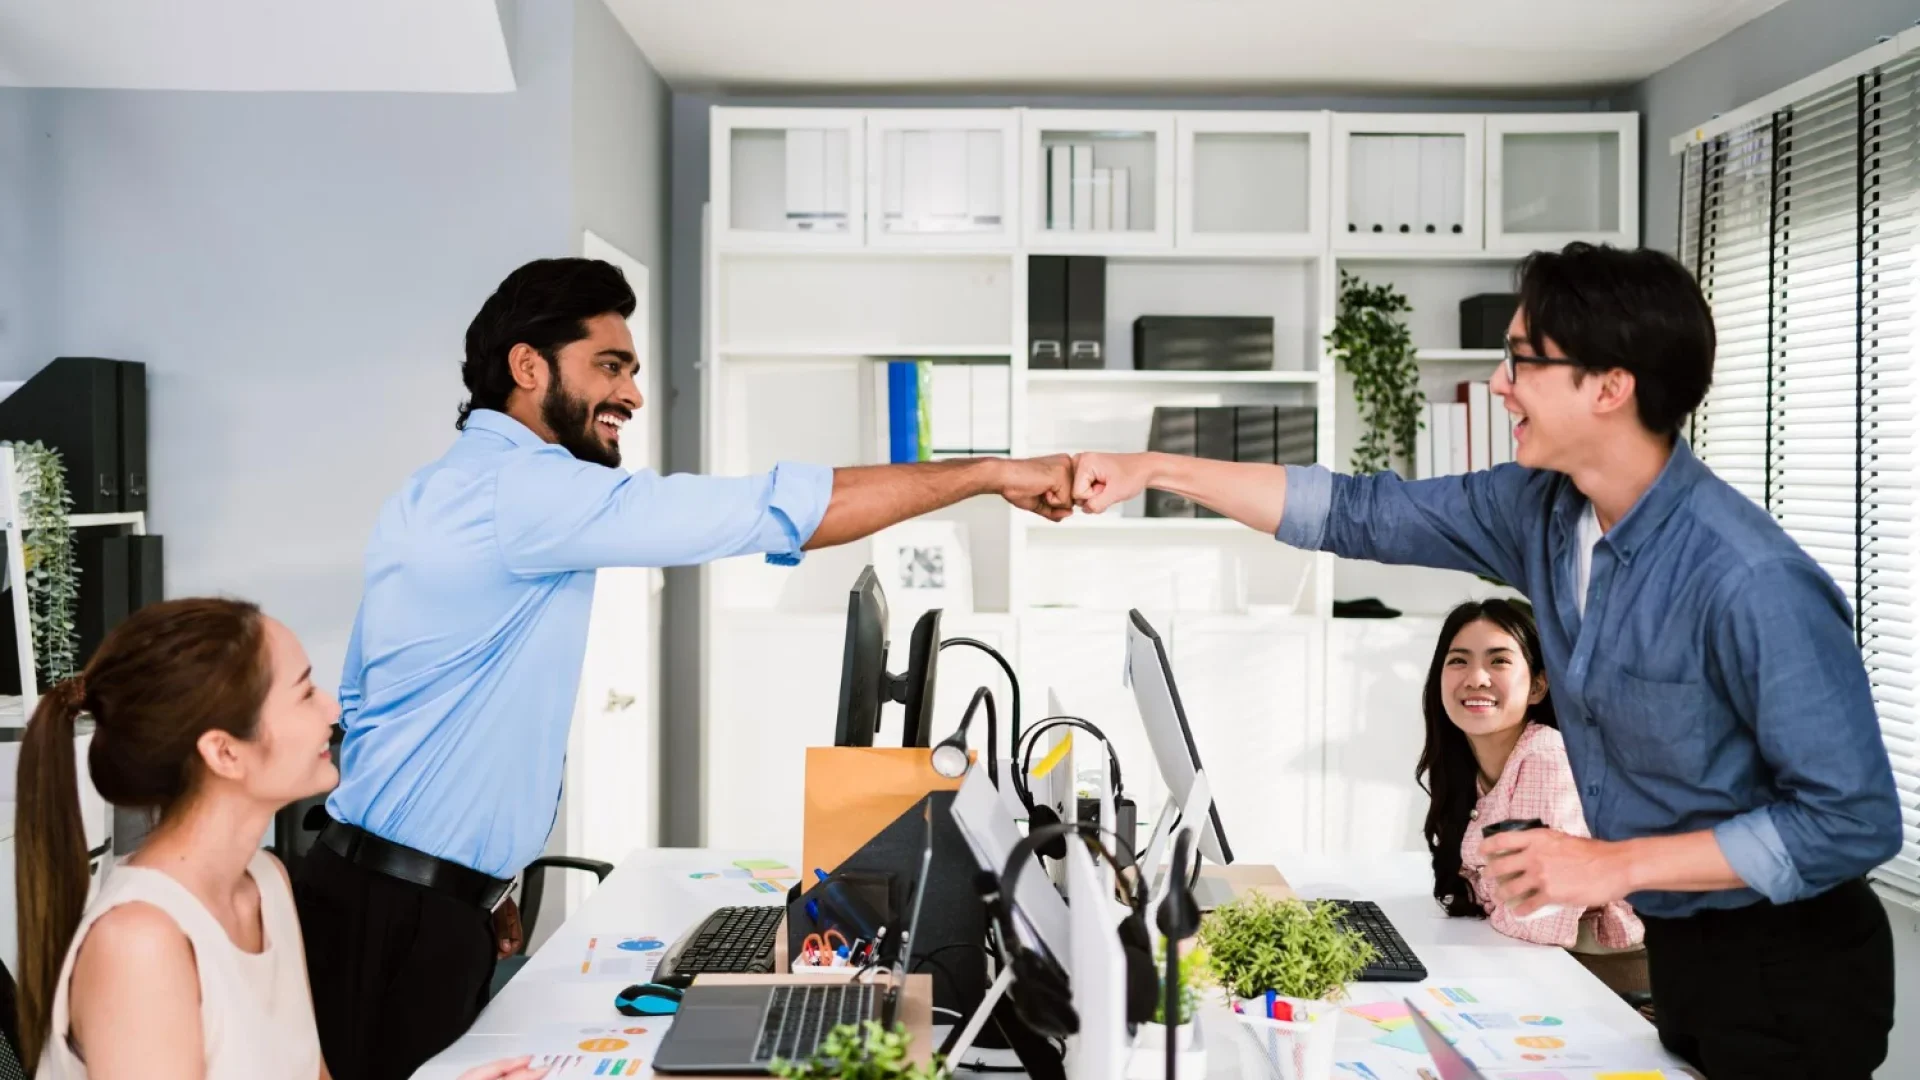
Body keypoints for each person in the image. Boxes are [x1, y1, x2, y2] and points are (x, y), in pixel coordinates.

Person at [1072, 242, 1900, 1078]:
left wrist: (1608, 864)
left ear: (1611, 386)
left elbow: (1851, 820)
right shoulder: (1542, 512)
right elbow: (1357, 512)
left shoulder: (1750, 579)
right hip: (1684, 956)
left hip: (1792, 970)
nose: (1500, 383)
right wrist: (1151, 468)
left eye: (1524, 361)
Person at [295, 256, 1077, 1080]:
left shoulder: (464, 486)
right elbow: (772, 508)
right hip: (398, 915)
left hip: (416, 898)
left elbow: (378, 698)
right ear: (528, 367)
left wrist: (484, 887)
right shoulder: (523, 494)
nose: (631, 394)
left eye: (631, 369)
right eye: (610, 365)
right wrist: (988, 473)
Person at [14, 597, 545, 1080]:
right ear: (225, 752)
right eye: (305, 692)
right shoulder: (140, 944)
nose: (333, 710)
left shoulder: (266, 883)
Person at [1417, 598, 1645, 988]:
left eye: (1498, 661)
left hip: (1598, 974)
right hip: (1535, 962)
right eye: (1458, 661)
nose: (1476, 677)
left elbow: (1537, 920)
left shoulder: (1544, 757)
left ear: (1538, 685)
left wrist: (1489, 888)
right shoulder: (1469, 767)